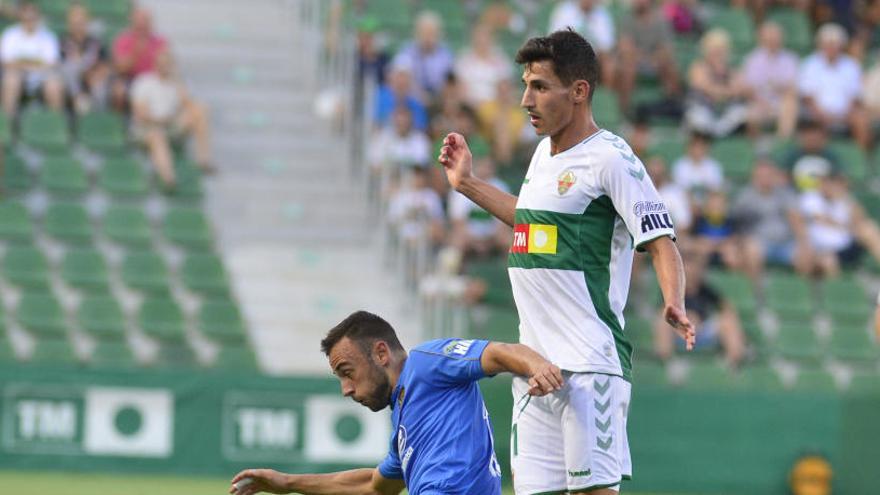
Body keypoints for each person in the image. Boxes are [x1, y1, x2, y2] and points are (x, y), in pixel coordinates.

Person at [439, 30, 695, 495]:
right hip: (534, 369)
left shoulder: (611, 157)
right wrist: (468, 184)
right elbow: (530, 220)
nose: (525, 100)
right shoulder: (542, 154)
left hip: (588, 366)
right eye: (525, 85)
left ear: (578, 91)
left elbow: (661, 241)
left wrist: (673, 300)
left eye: (539, 86)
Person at [229, 310, 563, 495]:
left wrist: (538, 366)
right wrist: (287, 484)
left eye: (348, 372)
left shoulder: (426, 363)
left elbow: (499, 352)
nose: (346, 389)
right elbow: (374, 486)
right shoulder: (403, 426)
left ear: (381, 353)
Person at [130, 50, 212, 188]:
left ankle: (203, 160)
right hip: (149, 127)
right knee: (157, 136)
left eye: (168, 64)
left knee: (201, 110)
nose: (165, 67)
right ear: (155, 64)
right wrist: (162, 120)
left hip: (169, 125)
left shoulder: (176, 84)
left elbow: (189, 106)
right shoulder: (144, 82)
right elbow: (141, 114)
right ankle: (169, 179)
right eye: (162, 64)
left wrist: (180, 88)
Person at [653, 250, 746, 367]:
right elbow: (663, 311)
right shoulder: (672, 290)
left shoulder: (705, 289)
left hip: (703, 329)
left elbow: (726, 307)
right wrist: (683, 320)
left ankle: (734, 364)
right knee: (662, 324)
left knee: (728, 321)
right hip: (679, 331)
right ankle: (667, 364)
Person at [731, 159, 813, 276]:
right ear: (754, 177)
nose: (765, 178)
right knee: (751, 249)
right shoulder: (745, 197)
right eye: (761, 175)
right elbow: (737, 224)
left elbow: (796, 219)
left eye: (768, 175)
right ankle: (757, 291)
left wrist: (803, 242)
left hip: (785, 242)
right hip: (760, 243)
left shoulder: (784, 193)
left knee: (806, 253)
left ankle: (799, 292)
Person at [798, 23, 871, 149]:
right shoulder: (810, 64)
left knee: (862, 120)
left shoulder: (851, 65)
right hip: (817, 112)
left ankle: (862, 159)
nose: (831, 48)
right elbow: (807, 98)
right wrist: (822, 114)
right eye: (827, 44)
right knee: (811, 121)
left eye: (835, 44)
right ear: (820, 45)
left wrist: (845, 113)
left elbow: (855, 97)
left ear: (841, 46)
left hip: (846, 113)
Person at [800, 171, 880, 277]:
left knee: (869, 228)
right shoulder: (811, 198)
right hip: (824, 248)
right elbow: (823, 219)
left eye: (830, 182)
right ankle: (837, 290)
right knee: (828, 261)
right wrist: (848, 227)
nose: (827, 186)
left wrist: (846, 199)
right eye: (824, 182)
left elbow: (860, 219)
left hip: (846, 243)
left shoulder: (843, 199)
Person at [0, 1, 64, 116]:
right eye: (26, 15)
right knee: (11, 80)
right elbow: (6, 62)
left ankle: (56, 125)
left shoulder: (48, 36)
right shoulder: (10, 34)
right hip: (18, 75)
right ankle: (7, 124)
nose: (30, 19)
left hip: (41, 77)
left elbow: (52, 63)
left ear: (37, 16)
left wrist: (23, 64)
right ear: (21, 16)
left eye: (32, 15)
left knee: (54, 85)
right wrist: (32, 65)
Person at [616, 0, 680, 113]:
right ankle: (625, 112)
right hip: (635, 62)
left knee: (671, 67)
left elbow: (666, 49)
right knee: (627, 68)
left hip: (655, 62)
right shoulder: (627, 19)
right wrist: (644, 58)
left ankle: (671, 107)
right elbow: (626, 48)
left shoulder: (661, 20)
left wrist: (655, 59)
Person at [684, 29, 749, 138]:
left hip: (725, 115)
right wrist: (726, 90)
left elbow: (740, 88)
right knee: (697, 117)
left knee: (742, 113)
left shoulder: (732, 71)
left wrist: (722, 85)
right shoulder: (698, 67)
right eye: (714, 49)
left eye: (721, 49)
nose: (718, 53)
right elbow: (706, 87)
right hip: (702, 111)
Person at [741, 21, 799, 138]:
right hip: (759, 102)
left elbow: (792, 88)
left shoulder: (790, 59)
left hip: (781, 102)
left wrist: (779, 90)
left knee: (790, 105)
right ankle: (755, 149)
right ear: (762, 40)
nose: (773, 42)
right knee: (750, 115)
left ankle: (782, 143)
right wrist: (762, 102)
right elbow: (748, 89)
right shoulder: (752, 59)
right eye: (769, 39)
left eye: (776, 38)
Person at [448, 156, 512, 257]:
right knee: (456, 242)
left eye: (487, 165)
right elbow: (458, 223)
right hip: (469, 236)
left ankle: (511, 272)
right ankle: (456, 273)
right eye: (481, 165)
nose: (484, 168)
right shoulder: (461, 185)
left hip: (493, 236)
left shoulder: (500, 186)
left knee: (511, 241)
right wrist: (474, 241)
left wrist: (489, 240)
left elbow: (503, 224)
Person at [111, 7, 168, 110]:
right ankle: (120, 123)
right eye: (139, 21)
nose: (142, 25)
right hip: (131, 79)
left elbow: (167, 66)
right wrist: (136, 52)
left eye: (145, 20)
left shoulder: (160, 42)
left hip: (155, 80)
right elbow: (120, 68)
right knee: (119, 91)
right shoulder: (123, 40)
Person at [549, 0, 616, 85]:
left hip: (595, 58)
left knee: (609, 65)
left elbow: (606, 47)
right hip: (568, 55)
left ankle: (605, 97)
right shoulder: (564, 11)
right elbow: (554, 41)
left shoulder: (603, 14)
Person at [391, 11, 454, 101]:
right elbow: (399, 78)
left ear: (439, 35)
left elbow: (450, 81)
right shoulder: (407, 52)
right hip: (411, 100)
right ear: (417, 33)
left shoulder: (446, 55)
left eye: (432, 33)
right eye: (424, 32)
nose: (428, 37)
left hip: (438, 100)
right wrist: (419, 95)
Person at [60, 3, 110, 114]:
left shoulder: (96, 42)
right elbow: (61, 66)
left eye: (81, 21)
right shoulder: (63, 42)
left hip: (92, 81)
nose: (78, 24)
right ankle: (77, 99)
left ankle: (99, 118)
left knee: (100, 86)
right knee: (69, 68)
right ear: (69, 22)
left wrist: (95, 75)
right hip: (71, 87)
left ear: (87, 21)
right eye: (74, 21)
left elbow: (105, 66)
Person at [454, 24, 512, 107]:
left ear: (492, 39)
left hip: (494, 107)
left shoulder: (500, 60)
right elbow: (460, 87)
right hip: (470, 107)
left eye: (486, 37)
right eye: (479, 37)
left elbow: (505, 87)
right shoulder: (464, 60)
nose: (482, 40)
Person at [781, 119, 841, 192]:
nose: (812, 139)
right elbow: (783, 177)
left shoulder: (829, 156)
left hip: (825, 195)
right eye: (808, 135)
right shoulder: (793, 156)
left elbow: (839, 179)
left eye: (815, 135)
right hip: (796, 194)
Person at [671, 131, 724, 204]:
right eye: (695, 146)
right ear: (689, 148)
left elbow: (715, 189)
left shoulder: (713, 166)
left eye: (701, 147)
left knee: (717, 199)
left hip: (707, 203)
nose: (698, 150)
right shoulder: (680, 165)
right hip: (685, 202)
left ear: (706, 148)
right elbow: (681, 189)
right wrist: (693, 204)